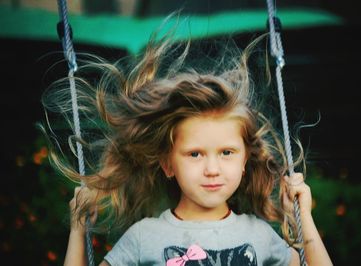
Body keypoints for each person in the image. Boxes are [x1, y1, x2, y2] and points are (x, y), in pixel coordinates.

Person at [43, 21, 333, 266]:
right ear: (169, 164)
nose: (212, 169)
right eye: (195, 154)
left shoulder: (260, 236)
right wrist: (78, 230)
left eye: (227, 153)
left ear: (245, 160)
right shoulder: (144, 237)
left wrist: (303, 217)